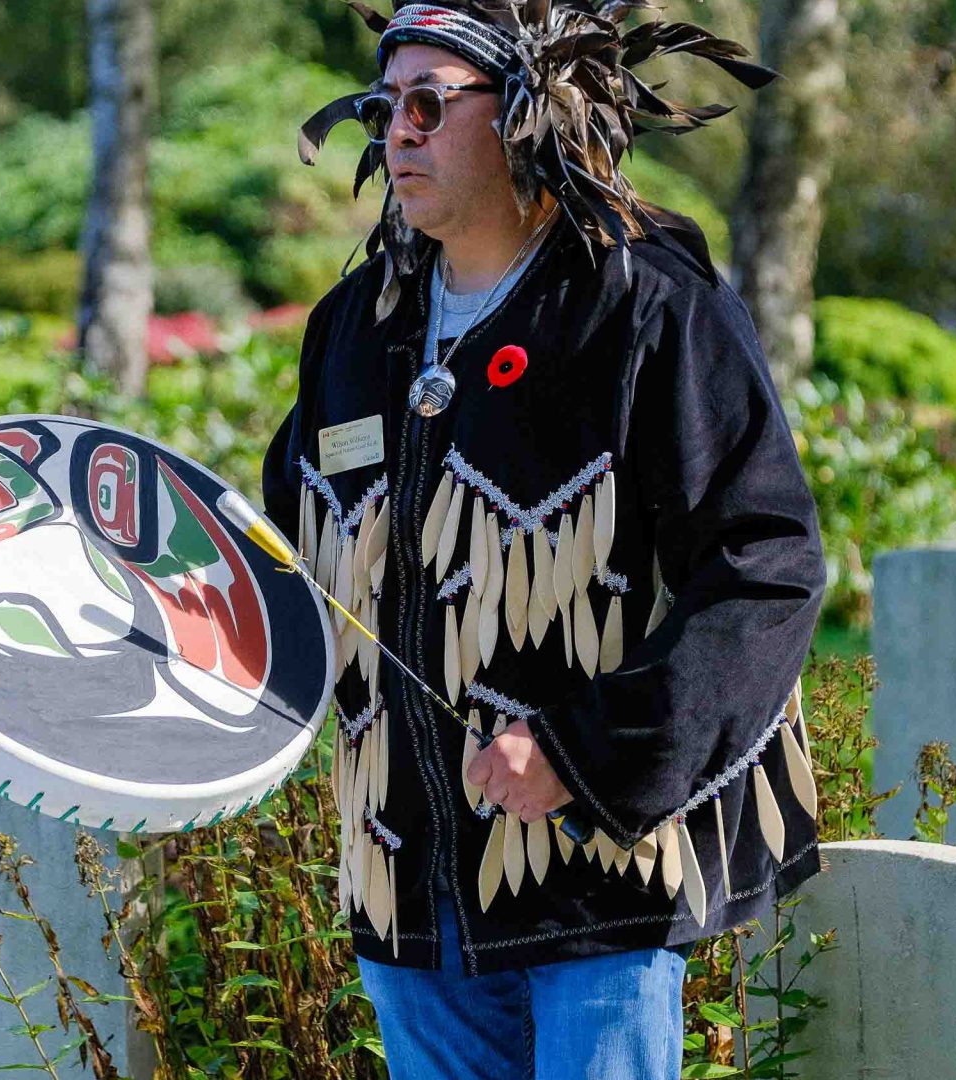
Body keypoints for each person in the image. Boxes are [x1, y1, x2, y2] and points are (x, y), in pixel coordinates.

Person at [259, 2, 830, 1076]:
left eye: (430, 103)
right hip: (405, 882)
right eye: (384, 108)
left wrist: (585, 752)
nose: (398, 133)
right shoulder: (357, 325)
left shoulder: (644, 306)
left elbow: (765, 565)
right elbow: (296, 538)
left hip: (591, 888)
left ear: (526, 114)